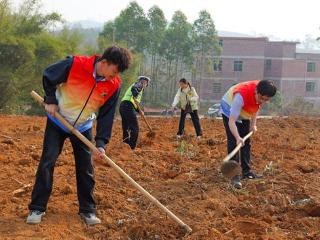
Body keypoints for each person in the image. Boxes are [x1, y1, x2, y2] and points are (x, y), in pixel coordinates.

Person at [27, 46, 132, 225]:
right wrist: (51, 100)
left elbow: (107, 115)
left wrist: (101, 143)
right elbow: (48, 75)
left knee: (86, 168)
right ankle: (37, 208)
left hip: (83, 126)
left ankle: (88, 210)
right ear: (104, 62)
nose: (114, 77)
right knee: (47, 161)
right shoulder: (75, 64)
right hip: (58, 121)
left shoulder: (113, 85)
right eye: (113, 72)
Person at [220, 80, 277, 189]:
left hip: (245, 110)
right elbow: (232, 121)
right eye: (261, 98)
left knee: (246, 142)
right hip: (229, 107)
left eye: (266, 100)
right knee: (233, 142)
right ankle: (234, 175)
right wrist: (237, 137)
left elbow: (256, 107)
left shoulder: (261, 93)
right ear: (256, 92)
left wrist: (253, 124)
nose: (263, 101)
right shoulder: (240, 97)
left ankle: (247, 172)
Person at [119, 76, 151, 149]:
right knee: (135, 128)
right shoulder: (139, 84)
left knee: (126, 127)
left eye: (146, 83)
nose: (145, 84)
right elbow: (134, 90)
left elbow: (134, 103)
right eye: (145, 82)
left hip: (123, 106)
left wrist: (140, 111)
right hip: (128, 106)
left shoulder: (138, 87)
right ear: (142, 81)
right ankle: (131, 147)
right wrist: (135, 94)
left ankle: (125, 144)